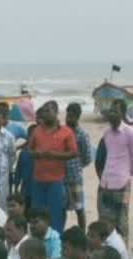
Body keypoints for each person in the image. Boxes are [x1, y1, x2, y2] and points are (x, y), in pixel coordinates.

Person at [29, 100, 78, 233]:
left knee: (56, 218)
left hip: (56, 182)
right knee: (38, 217)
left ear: (56, 113)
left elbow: (74, 153)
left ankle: (57, 245)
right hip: (38, 181)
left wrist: (55, 155)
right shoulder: (37, 131)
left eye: (48, 111)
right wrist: (36, 154)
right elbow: (30, 150)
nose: (44, 113)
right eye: (43, 111)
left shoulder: (66, 132)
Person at [96, 98, 133, 242]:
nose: (111, 113)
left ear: (123, 113)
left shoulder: (129, 132)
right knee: (104, 223)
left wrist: (127, 175)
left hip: (122, 184)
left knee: (121, 224)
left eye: (115, 111)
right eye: (110, 110)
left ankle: (124, 258)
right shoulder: (106, 133)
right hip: (105, 183)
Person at [64, 102, 93, 231]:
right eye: (67, 114)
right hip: (61, 177)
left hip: (75, 177)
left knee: (79, 208)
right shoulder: (61, 132)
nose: (68, 117)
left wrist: (76, 165)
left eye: (72, 115)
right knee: (61, 208)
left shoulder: (82, 134)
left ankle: (82, 233)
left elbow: (87, 158)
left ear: (78, 116)